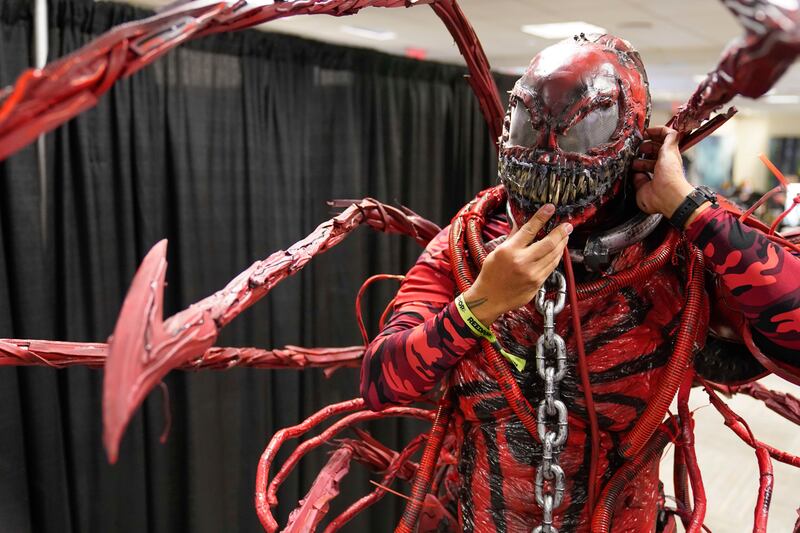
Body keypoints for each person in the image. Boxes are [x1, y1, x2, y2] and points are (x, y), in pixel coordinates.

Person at [360, 34, 800, 532]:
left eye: (583, 127)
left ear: (634, 136)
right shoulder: (468, 244)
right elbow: (382, 383)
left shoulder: (679, 255)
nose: (549, 152)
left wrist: (690, 208)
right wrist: (478, 306)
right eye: (532, 122)